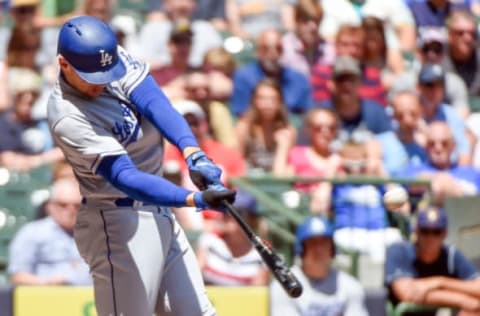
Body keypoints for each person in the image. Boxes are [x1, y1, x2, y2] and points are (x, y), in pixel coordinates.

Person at [47, 16, 235, 316]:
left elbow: (155, 104)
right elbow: (125, 176)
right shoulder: (67, 115)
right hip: (117, 221)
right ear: (64, 63)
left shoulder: (107, 56)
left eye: (105, 72)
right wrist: (193, 199)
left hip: (159, 208)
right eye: (92, 76)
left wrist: (193, 153)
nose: (103, 81)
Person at [385, 206, 480, 315]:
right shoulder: (399, 250)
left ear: (444, 233)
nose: (430, 237)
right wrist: (462, 300)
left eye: (436, 232)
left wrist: (440, 282)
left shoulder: (450, 255)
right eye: (425, 231)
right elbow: (407, 293)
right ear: (416, 231)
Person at [270, 215, 368, 316]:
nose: (319, 250)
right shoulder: (284, 286)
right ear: (301, 249)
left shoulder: (351, 286)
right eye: (313, 243)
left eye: (324, 243)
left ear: (332, 249)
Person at [7, 177, 92, 285]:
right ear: (50, 206)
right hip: (45, 298)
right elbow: (18, 276)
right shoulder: (31, 233)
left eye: (77, 206)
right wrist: (46, 284)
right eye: (63, 205)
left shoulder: (98, 235)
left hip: (91, 299)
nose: (70, 210)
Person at [230, 29, 313, 116]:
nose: (273, 54)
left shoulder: (298, 79)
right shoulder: (243, 77)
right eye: (266, 49)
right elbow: (240, 112)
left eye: (278, 48)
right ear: (258, 51)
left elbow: (306, 114)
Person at [195, 190, 269, 286]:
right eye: (225, 211)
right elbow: (195, 281)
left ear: (251, 220)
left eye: (237, 213)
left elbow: (258, 293)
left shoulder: (261, 253)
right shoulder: (209, 241)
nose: (226, 216)